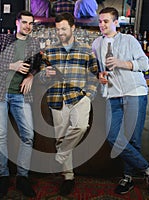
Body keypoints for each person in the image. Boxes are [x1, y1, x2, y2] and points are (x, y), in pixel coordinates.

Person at [91, 7, 149, 195]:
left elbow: (144, 63)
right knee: (113, 136)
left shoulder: (129, 40)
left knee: (133, 139)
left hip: (134, 93)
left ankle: (128, 178)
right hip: (112, 95)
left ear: (116, 23)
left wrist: (123, 63)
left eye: (106, 21)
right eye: (100, 21)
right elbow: (97, 70)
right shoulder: (97, 44)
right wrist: (100, 76)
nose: (102, 25)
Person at [39, 12, 98, 196]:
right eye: (58, 29)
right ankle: (68, 177)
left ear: (73, 28)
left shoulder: (86, 50)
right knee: (61, 137)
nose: (60, 32)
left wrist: (88, 95)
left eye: (64, 28)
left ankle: (61, 154)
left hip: (79, 97)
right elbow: (41, 78)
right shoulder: (49, 51)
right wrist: (44, 75)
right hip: (57, 98)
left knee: (80, 127)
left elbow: (94, 75)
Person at [0, 10, 41, 198]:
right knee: (1, 136)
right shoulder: (2, 39)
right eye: (24, 22)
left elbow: (38, 64)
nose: (27, 26)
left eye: (30, 23)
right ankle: (3, 177)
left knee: (28, 135)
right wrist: (12, 65)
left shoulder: (34, 43)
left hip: (21, 95)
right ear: (17, 23)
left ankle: (22, 178)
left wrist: (32, 75)